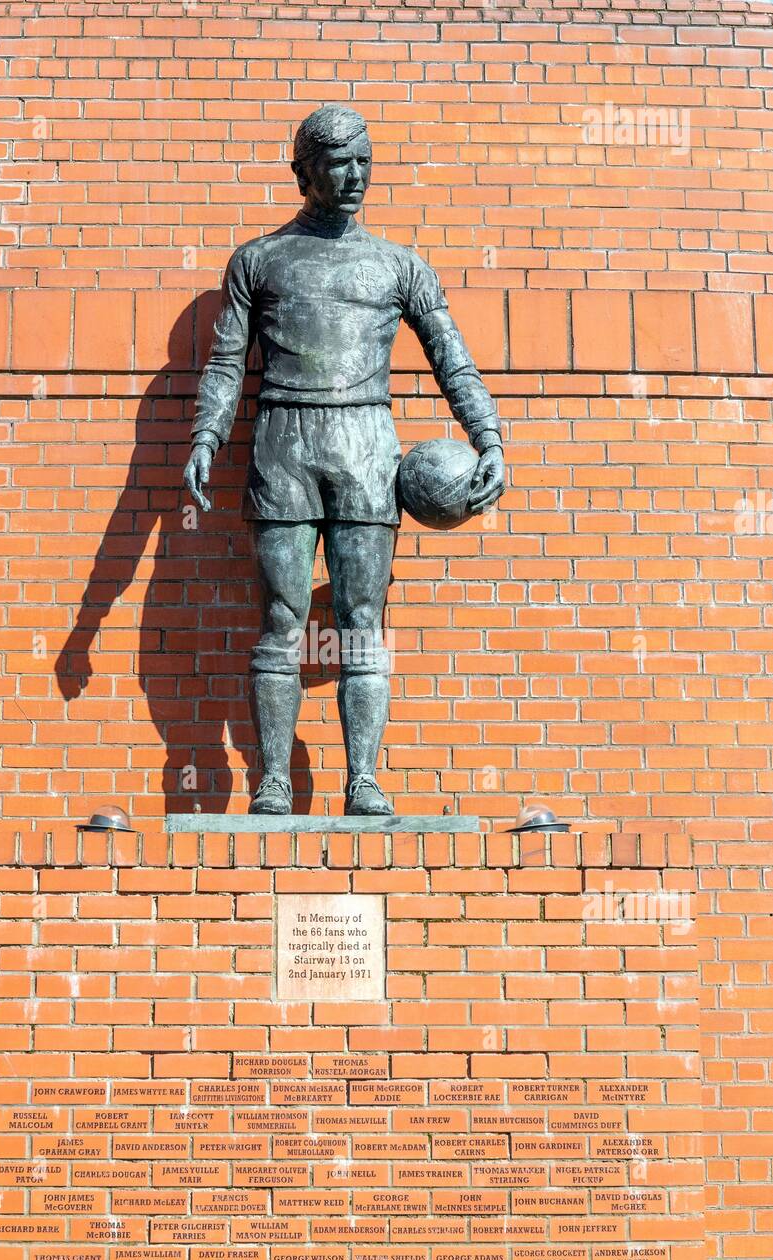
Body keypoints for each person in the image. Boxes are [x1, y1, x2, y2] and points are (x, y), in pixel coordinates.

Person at [185, 104, 505, 815]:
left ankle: (363, 780)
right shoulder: (258, 262)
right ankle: (272, 779)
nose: (354, 176)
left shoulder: (398, 266)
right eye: (337, 163)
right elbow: (226, 363)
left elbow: (453, 357)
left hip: (367, 449)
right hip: (283, 447)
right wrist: (208, 437)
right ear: (303, 171)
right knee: (282, 618)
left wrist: (489, 438)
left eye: (363, 161)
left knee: (361, 618)